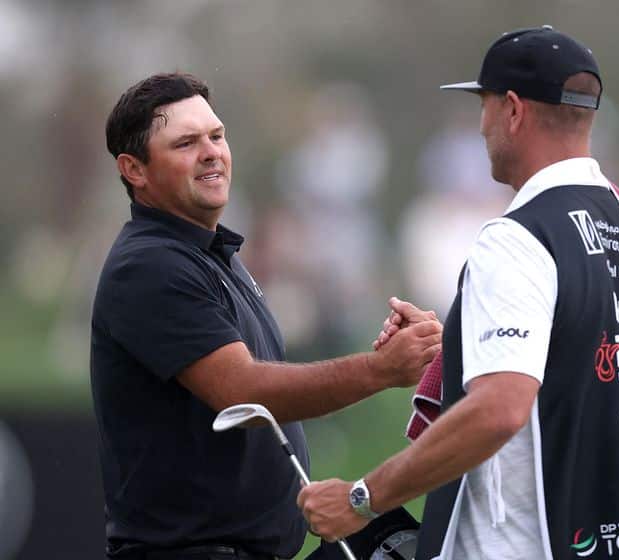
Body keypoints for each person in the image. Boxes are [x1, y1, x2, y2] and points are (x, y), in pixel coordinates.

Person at [297, 26, 619, 559]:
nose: (481, 125)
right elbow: (573, 361)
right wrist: (464, 343)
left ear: (513, 111)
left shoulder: (517, 237)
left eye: (484, 105)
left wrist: (361, 499)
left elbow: (500, 409)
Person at [91, 72, 442, 560]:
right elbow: (241, 393)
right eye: (186, 143)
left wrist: (385, 351)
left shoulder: (213, 253)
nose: (212, 151)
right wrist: (380, 370)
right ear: (135, 169)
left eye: (216, 135)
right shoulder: (149, 265)